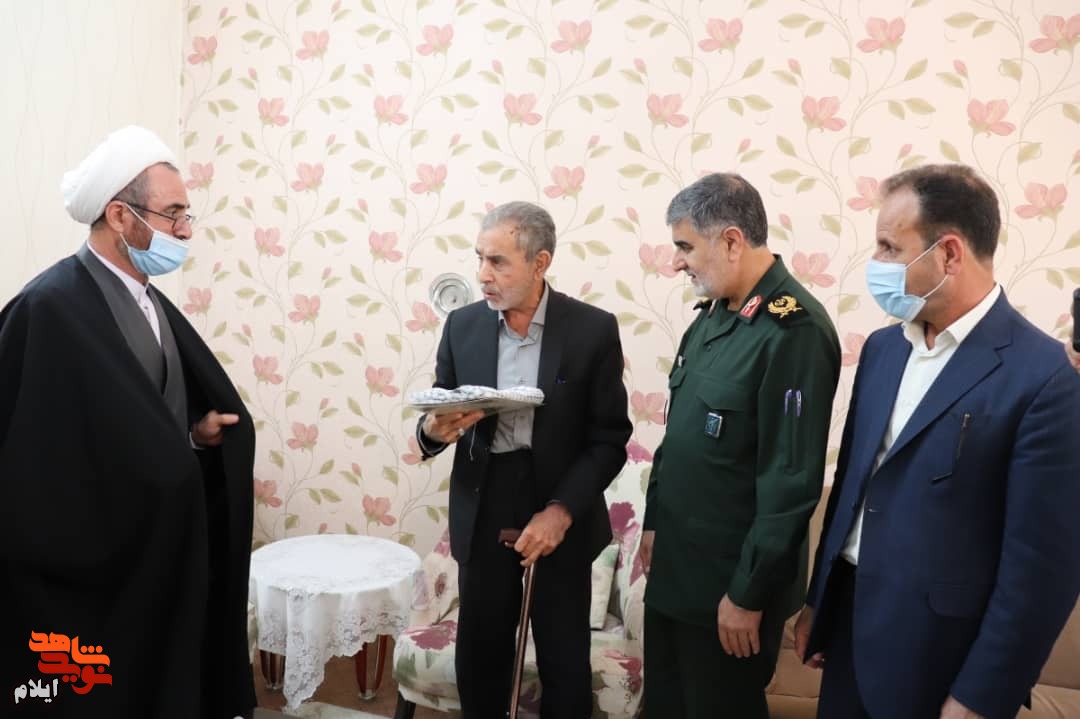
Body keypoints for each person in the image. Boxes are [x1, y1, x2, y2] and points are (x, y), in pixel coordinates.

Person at [793, 164, 1080, 719]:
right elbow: (854, 483)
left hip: (939, 655)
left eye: (889, 247)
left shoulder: (1047, 379)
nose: (875, 263)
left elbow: (1042, 570)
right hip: (848, 627)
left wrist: (981, 696)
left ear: (948, 253)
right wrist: (817, 604)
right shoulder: (883, 350)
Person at [0, 126, 256, 718]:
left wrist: (193, 438)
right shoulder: (49, 308)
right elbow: (36, 454)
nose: (185, 231)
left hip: (161, 554)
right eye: (173, 215)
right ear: (120, 215)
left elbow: (138, 420)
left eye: (187, 215)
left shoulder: (150, 301)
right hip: (99, 572)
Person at [415, 201, 631, 717]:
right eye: (479, 258)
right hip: (484, 501)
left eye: (498, 262)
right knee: (481, 657)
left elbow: (610, 438)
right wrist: (431, 432)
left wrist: (561, 511)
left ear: (540, 263)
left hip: (560, 499)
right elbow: (440, 411)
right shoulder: (462, 326)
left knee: (564, 661)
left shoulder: (592, 330)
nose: (482, 275)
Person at [640, 173, 841, 718]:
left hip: (727, 591)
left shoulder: (794, 331)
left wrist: (748, 595)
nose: (676, 263)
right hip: (675, 575)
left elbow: (791, 482)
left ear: (731, 241)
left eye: (685, 247)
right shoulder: (712, 317)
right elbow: (678, 437)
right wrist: (653, 522)